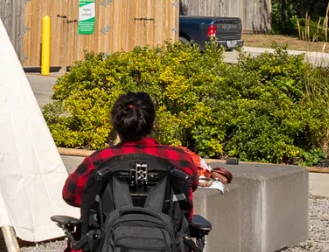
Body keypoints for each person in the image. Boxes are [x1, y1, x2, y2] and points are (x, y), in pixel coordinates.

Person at [59, 91, 227, 236]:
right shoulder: (180, 159)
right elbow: (192, 186)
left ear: (117, 127)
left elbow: (70, 194)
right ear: (153, 125)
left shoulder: (99, 160)